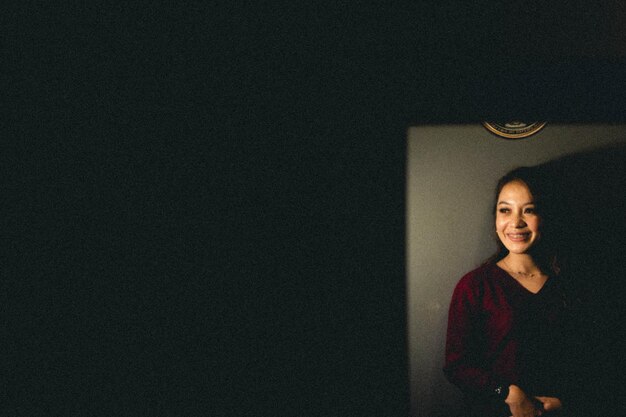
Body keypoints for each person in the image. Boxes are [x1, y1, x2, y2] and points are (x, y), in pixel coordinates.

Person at [444, 167, 574, 417]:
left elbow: (591, 362)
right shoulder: (475, 285)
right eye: (505, 210)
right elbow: (456, 365)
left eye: (529, 210)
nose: (516, 222)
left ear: (545, 216)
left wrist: (564, 402)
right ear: (495, 218)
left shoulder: (568, 286)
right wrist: (507, 393)